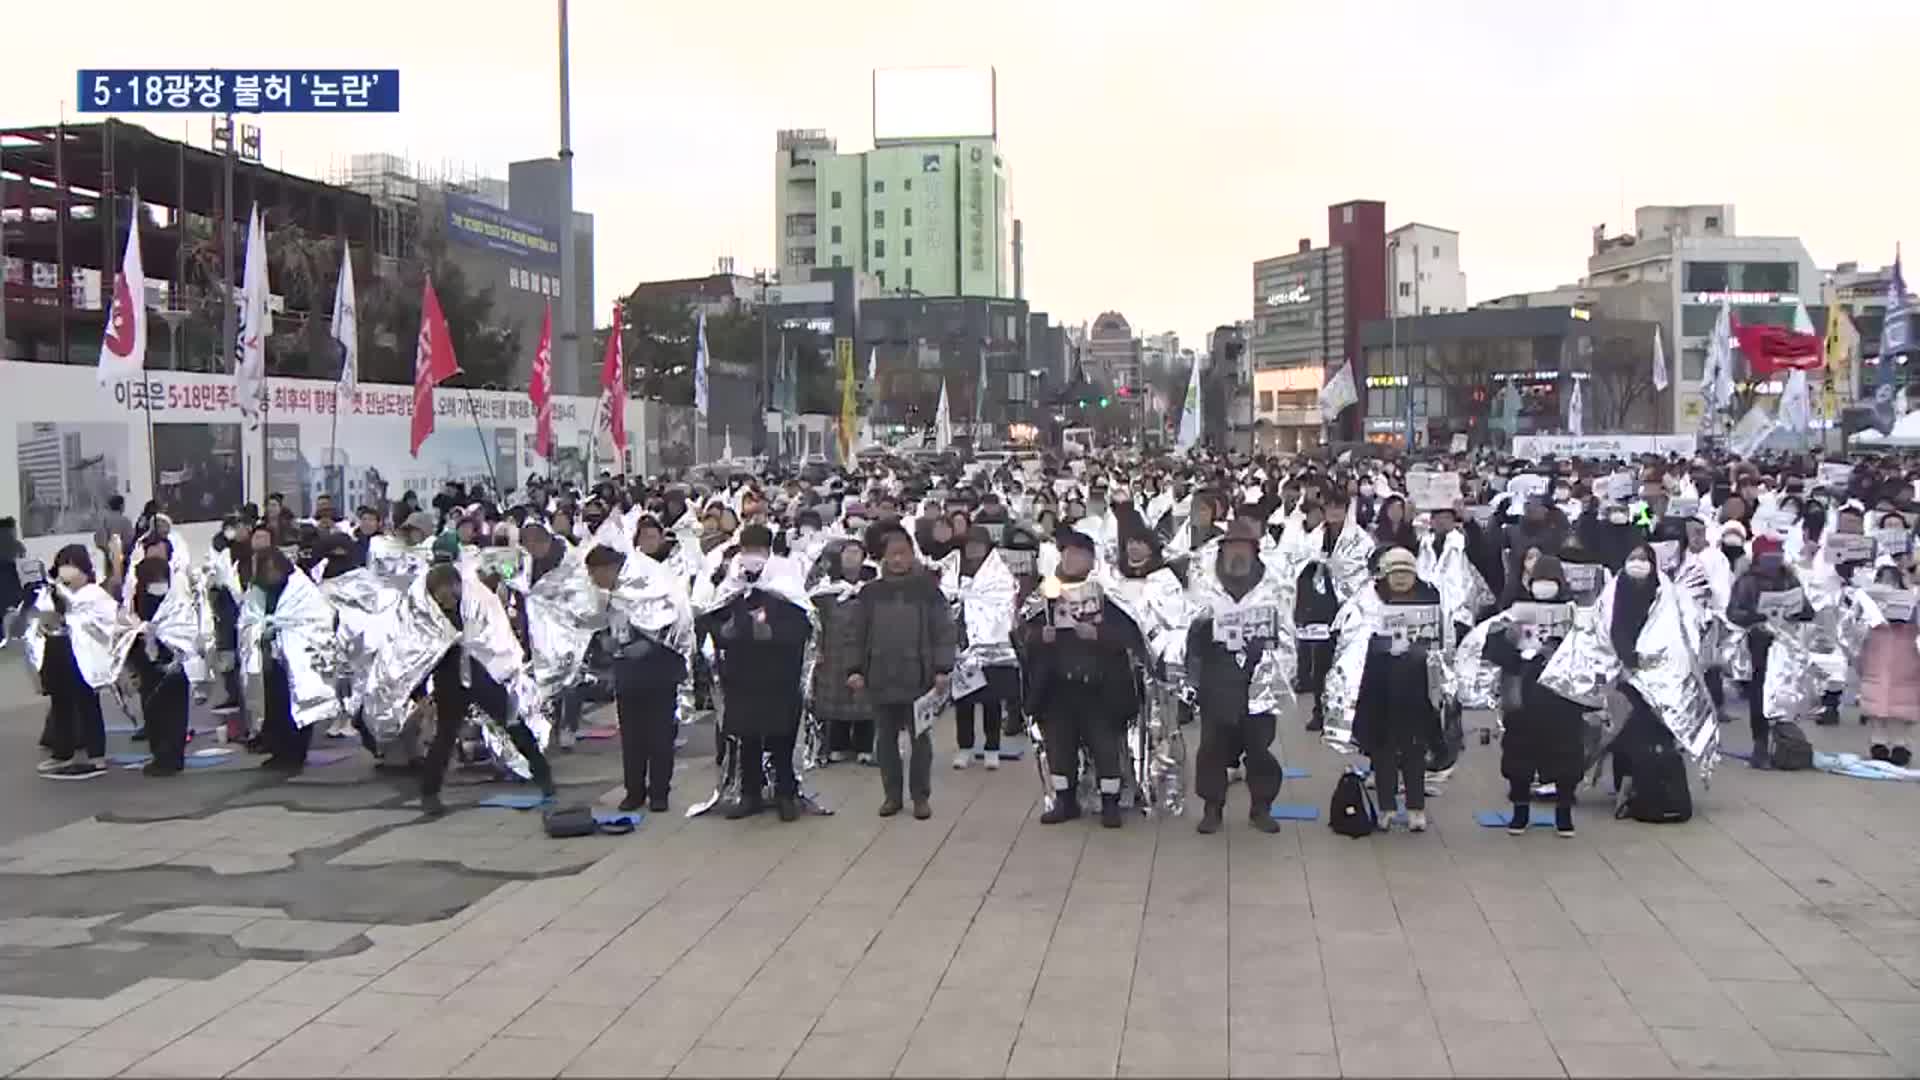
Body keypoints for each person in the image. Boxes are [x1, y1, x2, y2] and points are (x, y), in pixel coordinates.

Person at [1022, 530, 1142, 828]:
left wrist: (1098, 634)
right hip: (1056, 686)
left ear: (1091, 559)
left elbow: (1130, 635)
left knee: (1105, 747)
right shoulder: (1045, 590)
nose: (1071, 559)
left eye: (1078, 554)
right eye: (1067, 553)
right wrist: (1041, 637)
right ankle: (1065, 800)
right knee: (1058, 747)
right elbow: (1022, 632)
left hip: (1100, 686)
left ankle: (1111, 802)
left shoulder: (1108, 592)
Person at [417, 563, 555, 815]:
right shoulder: (429, 616)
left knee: (512, 723)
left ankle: (543, 774)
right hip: (450, 680)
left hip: (482, 673)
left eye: (450, 594)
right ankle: (429, 792)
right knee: (445, 736)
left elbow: (496, 635)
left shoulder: (476, 605)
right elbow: (420, 654)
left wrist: (506, 669)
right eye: (441, 597)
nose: (447, 600)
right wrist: (420, 693)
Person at [845, 526, 956, 818]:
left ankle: (920, 797)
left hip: (919, 676)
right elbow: (855, 634)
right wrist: (854, 669)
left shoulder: (927, 592)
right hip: (880, 675)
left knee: (921, 741)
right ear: (883, 558)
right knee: (886, 740)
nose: (897, 560)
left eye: (902, 554)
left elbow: (944, 631)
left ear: (911, 556)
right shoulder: (870, 593)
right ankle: (891, 796)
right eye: (891, 554)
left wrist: (943, 668)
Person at [706, 525, 813, 821]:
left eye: (757, 550)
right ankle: (750, 793)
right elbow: (715, 616)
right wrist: (723, 632)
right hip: (742, 672)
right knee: (747, 737)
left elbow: (802, 625)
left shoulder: (785, 581)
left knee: (781, 738)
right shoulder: (733, 582)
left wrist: (772, 633)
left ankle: (785, 793)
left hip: (779, 672)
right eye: (747, 550)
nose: (752, 557)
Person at [1186, 518, 1285, 835]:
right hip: (1217, 678)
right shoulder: (1204, 585)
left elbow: (1287, 632)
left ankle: (1262, 807)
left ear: (1255, 552)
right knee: (1213, 747)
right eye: (1232, 548)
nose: (1237, 555)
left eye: (1244, 548)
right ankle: (1212, 807)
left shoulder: (1273, 585)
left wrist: (1267, 649)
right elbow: (1187, 629)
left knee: (1259, 749)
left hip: (1259, 679)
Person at [1483, 555, 1583, 836]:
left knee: (1566, 754)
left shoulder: (1575, 612)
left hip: (1561, 695)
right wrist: (1516, 650)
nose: (1544, 586)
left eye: (1550, 580)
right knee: (1519, 754)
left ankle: (1564, 813)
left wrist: (1557, 651)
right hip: (1522, 693)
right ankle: (1520, 811)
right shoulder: (1514, 611)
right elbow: (1492, 648)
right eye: (1539, 580)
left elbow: (1587, 651)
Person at [588, 545, 688, 814]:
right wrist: (605, 643)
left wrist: (649, 645)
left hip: (658, 670)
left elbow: (673, 621)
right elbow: (597, 628)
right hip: (627, 673)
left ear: (609, 568)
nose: (595, 582)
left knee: (659, 735)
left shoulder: (649, 583)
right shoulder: (608, 596)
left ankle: (659, 792)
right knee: (632, 738)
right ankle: (634, 791)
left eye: (597, 574)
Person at [1351, 546, 1444, 833]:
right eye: (1396, 573)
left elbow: (1442, 638)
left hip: (1417, 687)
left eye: (1407, 573)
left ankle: (1416, 807)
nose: (1401, 579)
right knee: (1383, 751)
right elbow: (1357, 635)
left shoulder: (1430, 597)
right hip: (1379, 687)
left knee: (1415, 750)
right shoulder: (1370, 599)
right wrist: (1383, 646)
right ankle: (1386, 806)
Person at [1727, 534, 1815, 769]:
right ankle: (1760, 743)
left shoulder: (1790, 580)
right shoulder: (1747, 582)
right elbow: (1734, 612)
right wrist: (1759, 615)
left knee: (1786, 694)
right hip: (1758, 644)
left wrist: (1793, 610)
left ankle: (1784, 742)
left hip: (1786, 644)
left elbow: (1808, 610)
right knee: (1760, 694)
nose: (1773, 562)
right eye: (1768, 557)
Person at [35, 545, 117, 780]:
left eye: (72, 564)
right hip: (58, 651)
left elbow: (101, 621)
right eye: (63, 564)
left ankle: (96, 755)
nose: (67, 570)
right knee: (60, 702)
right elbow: (43, 615)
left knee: (87, 703)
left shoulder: (94, 593)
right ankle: (62, 752)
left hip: (84, 656)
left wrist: (67, 608)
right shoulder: (54, 592)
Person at [951, 526, 1020, 771]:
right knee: (964, 700)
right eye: (970, 545)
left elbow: (1007, 601)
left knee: (992, 701)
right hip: (964, 645)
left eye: (978, 545)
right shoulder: (956, 570)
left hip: (993, 646)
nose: (973, 550)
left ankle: (992, 748)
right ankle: (964, 748)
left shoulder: (999, 572)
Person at [246, 549, 314, 773]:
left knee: (296, 704)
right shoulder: (258, 590)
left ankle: (296, 753)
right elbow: (249, 617)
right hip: (270, 655)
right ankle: (278, 750)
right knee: (273, 705)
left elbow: (311, 615)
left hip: (296, 654)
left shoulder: (299, 586)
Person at [811, 538, 876, 763]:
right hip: (833, 647)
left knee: (864, 697)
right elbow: (816, 622)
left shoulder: (873, 587)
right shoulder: (825, 590)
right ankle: (838, 744)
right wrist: (817, 649)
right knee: (835, 696)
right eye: (847, 552)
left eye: (856, 552)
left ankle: (865, 746)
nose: (851, 557)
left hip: (864, 647)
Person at [126, 556, 191, 777]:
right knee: (159, 711)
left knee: (168, 712)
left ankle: (169, 756)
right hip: (150, 662)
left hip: (170, 660)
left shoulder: (175, 599)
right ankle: (165, 755)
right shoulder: (139, 598)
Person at [1859, 565, 1920, 765]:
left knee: (1904, 701)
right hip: (1876, 654)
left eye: (1890, 581)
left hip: (1906, 656)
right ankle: (1878, 741)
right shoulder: (1868, 599)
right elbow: (1855, 626)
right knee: (1876, 699)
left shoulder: (1913, 599)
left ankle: (1901, 744)